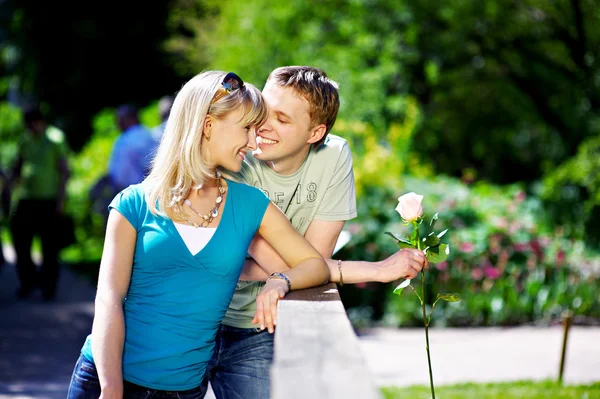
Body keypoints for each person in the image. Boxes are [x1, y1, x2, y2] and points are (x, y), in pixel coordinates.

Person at [66, 70, 329, 398]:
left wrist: (280, 281)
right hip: (107, 381)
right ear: (208, 125)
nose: (253, 141)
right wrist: (112, 388)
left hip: (182, 391)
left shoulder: (249, 205)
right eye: (246, 128)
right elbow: (109, 299)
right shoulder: (133, 204)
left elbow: (313, 264)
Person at [201, 66, 428, 399]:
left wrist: (282, 272)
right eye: (263, 109)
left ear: (315, 133)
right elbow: (298, 265)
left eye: (283, 119)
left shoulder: (334, 156)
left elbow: (312, 262)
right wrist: (376, 270)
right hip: (197, 318)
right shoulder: (234, 152)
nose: (262, 126)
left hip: (258, 328)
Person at [8, 107, 70, 300]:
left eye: (32, 124)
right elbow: (18, 165)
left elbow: (64, 171)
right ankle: (28, 281)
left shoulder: (55, 139)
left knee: (50, 248)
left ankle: (48, 288)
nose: (30, 129)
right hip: (26, 198)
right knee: (20, 242)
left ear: (40, 122)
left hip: (49, 200)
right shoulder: (25, 139)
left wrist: (61, 200)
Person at [107, 104, 157, 192]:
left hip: (140, 192)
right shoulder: (124, 137)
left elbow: (150, 165)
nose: (118, 122)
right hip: (125, 192)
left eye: (121, 118)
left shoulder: (142, 136)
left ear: (132, 118)